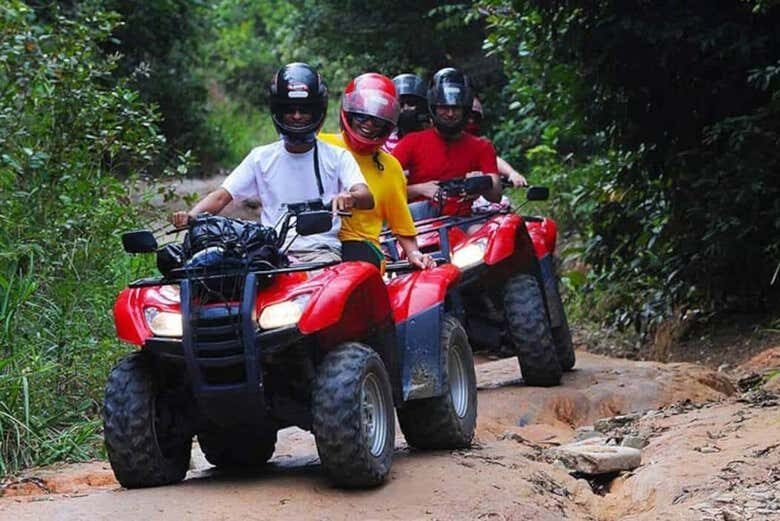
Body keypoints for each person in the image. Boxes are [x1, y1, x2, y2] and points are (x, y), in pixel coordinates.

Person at [170, 62, 373, 263]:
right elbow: (222, 196)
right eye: (289, 110)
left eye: (304, 111)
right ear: (278, 111)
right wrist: (190, 217)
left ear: (317, 112)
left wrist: (350, 197)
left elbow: (365, 196)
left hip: (321, 253)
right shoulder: (261, 157)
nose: (297, 116)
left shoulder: (338, 157)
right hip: (270, 255)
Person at [319, 72, 434, 271]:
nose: (369, 125)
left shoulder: (390, 167)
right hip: (312, 245)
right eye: (362, 116)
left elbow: (402, 225)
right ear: (349, 113)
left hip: (361, 253)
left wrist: (415, 254)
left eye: (377, 120)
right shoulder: (320, 145)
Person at [391, 67, 502, 220]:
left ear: (465, 109)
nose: (450, 114)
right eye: (444, 107)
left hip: (463, 225)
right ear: (434, 108)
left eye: (455, 108)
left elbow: (496, 195)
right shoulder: (411, 142)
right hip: (419, 226)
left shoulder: (482, 147)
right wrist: (419, 189)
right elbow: (383, 189)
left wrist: (481, 183)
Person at [465, 96, 528, 188]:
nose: (471, 121)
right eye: (468, 116)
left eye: (475, 118)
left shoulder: (480, 145)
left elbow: (493, 160)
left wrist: (512, 173)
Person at [382, 73, 430, 154]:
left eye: (411, 103)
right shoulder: (384, 144)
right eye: (400, 105)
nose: (405, 108)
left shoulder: (432, 141)